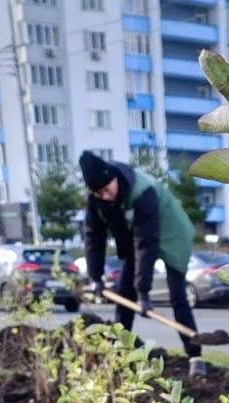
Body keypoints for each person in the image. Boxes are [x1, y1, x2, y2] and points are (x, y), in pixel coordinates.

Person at [79, 150, 201, 360]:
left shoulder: (143, 191)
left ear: (114, 178)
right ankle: (119, 353)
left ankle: (194, 355)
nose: (105, 196)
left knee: (177, 296)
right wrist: (95, 276)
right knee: (124, 292)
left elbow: (146, 242)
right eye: (99, 193)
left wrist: (143, 292)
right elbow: (93, 237)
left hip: (172, 233)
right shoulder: (97, 199)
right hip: (138, 235)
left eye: (107, 189)